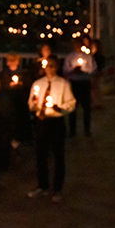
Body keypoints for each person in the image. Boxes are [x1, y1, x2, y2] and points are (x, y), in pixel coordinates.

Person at [27, 56, 76, 202]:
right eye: (48, 66)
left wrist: (60, 109)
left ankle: (57, 189)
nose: (50, 69)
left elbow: (71, 103)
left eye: (53, 66)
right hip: (41, 122)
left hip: (56, 122)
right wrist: (34, 104)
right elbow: (31, 103)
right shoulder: (38, 84)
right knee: (41, 155)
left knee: (58, 156)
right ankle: (42, 186)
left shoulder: (63, 84)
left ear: (57, 67)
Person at [63, 38, 96, 137]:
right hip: (75, 83)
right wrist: (73, 70)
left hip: (84, 82)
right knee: (73, 107)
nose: (77, 47)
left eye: (79, 45)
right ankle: (72, 131)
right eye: (75, 45)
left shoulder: (88, 57)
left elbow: (93, 69)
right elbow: (65, 69)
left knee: (86, 108)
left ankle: (87, 130)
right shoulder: (70, 57)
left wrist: (85, 71)